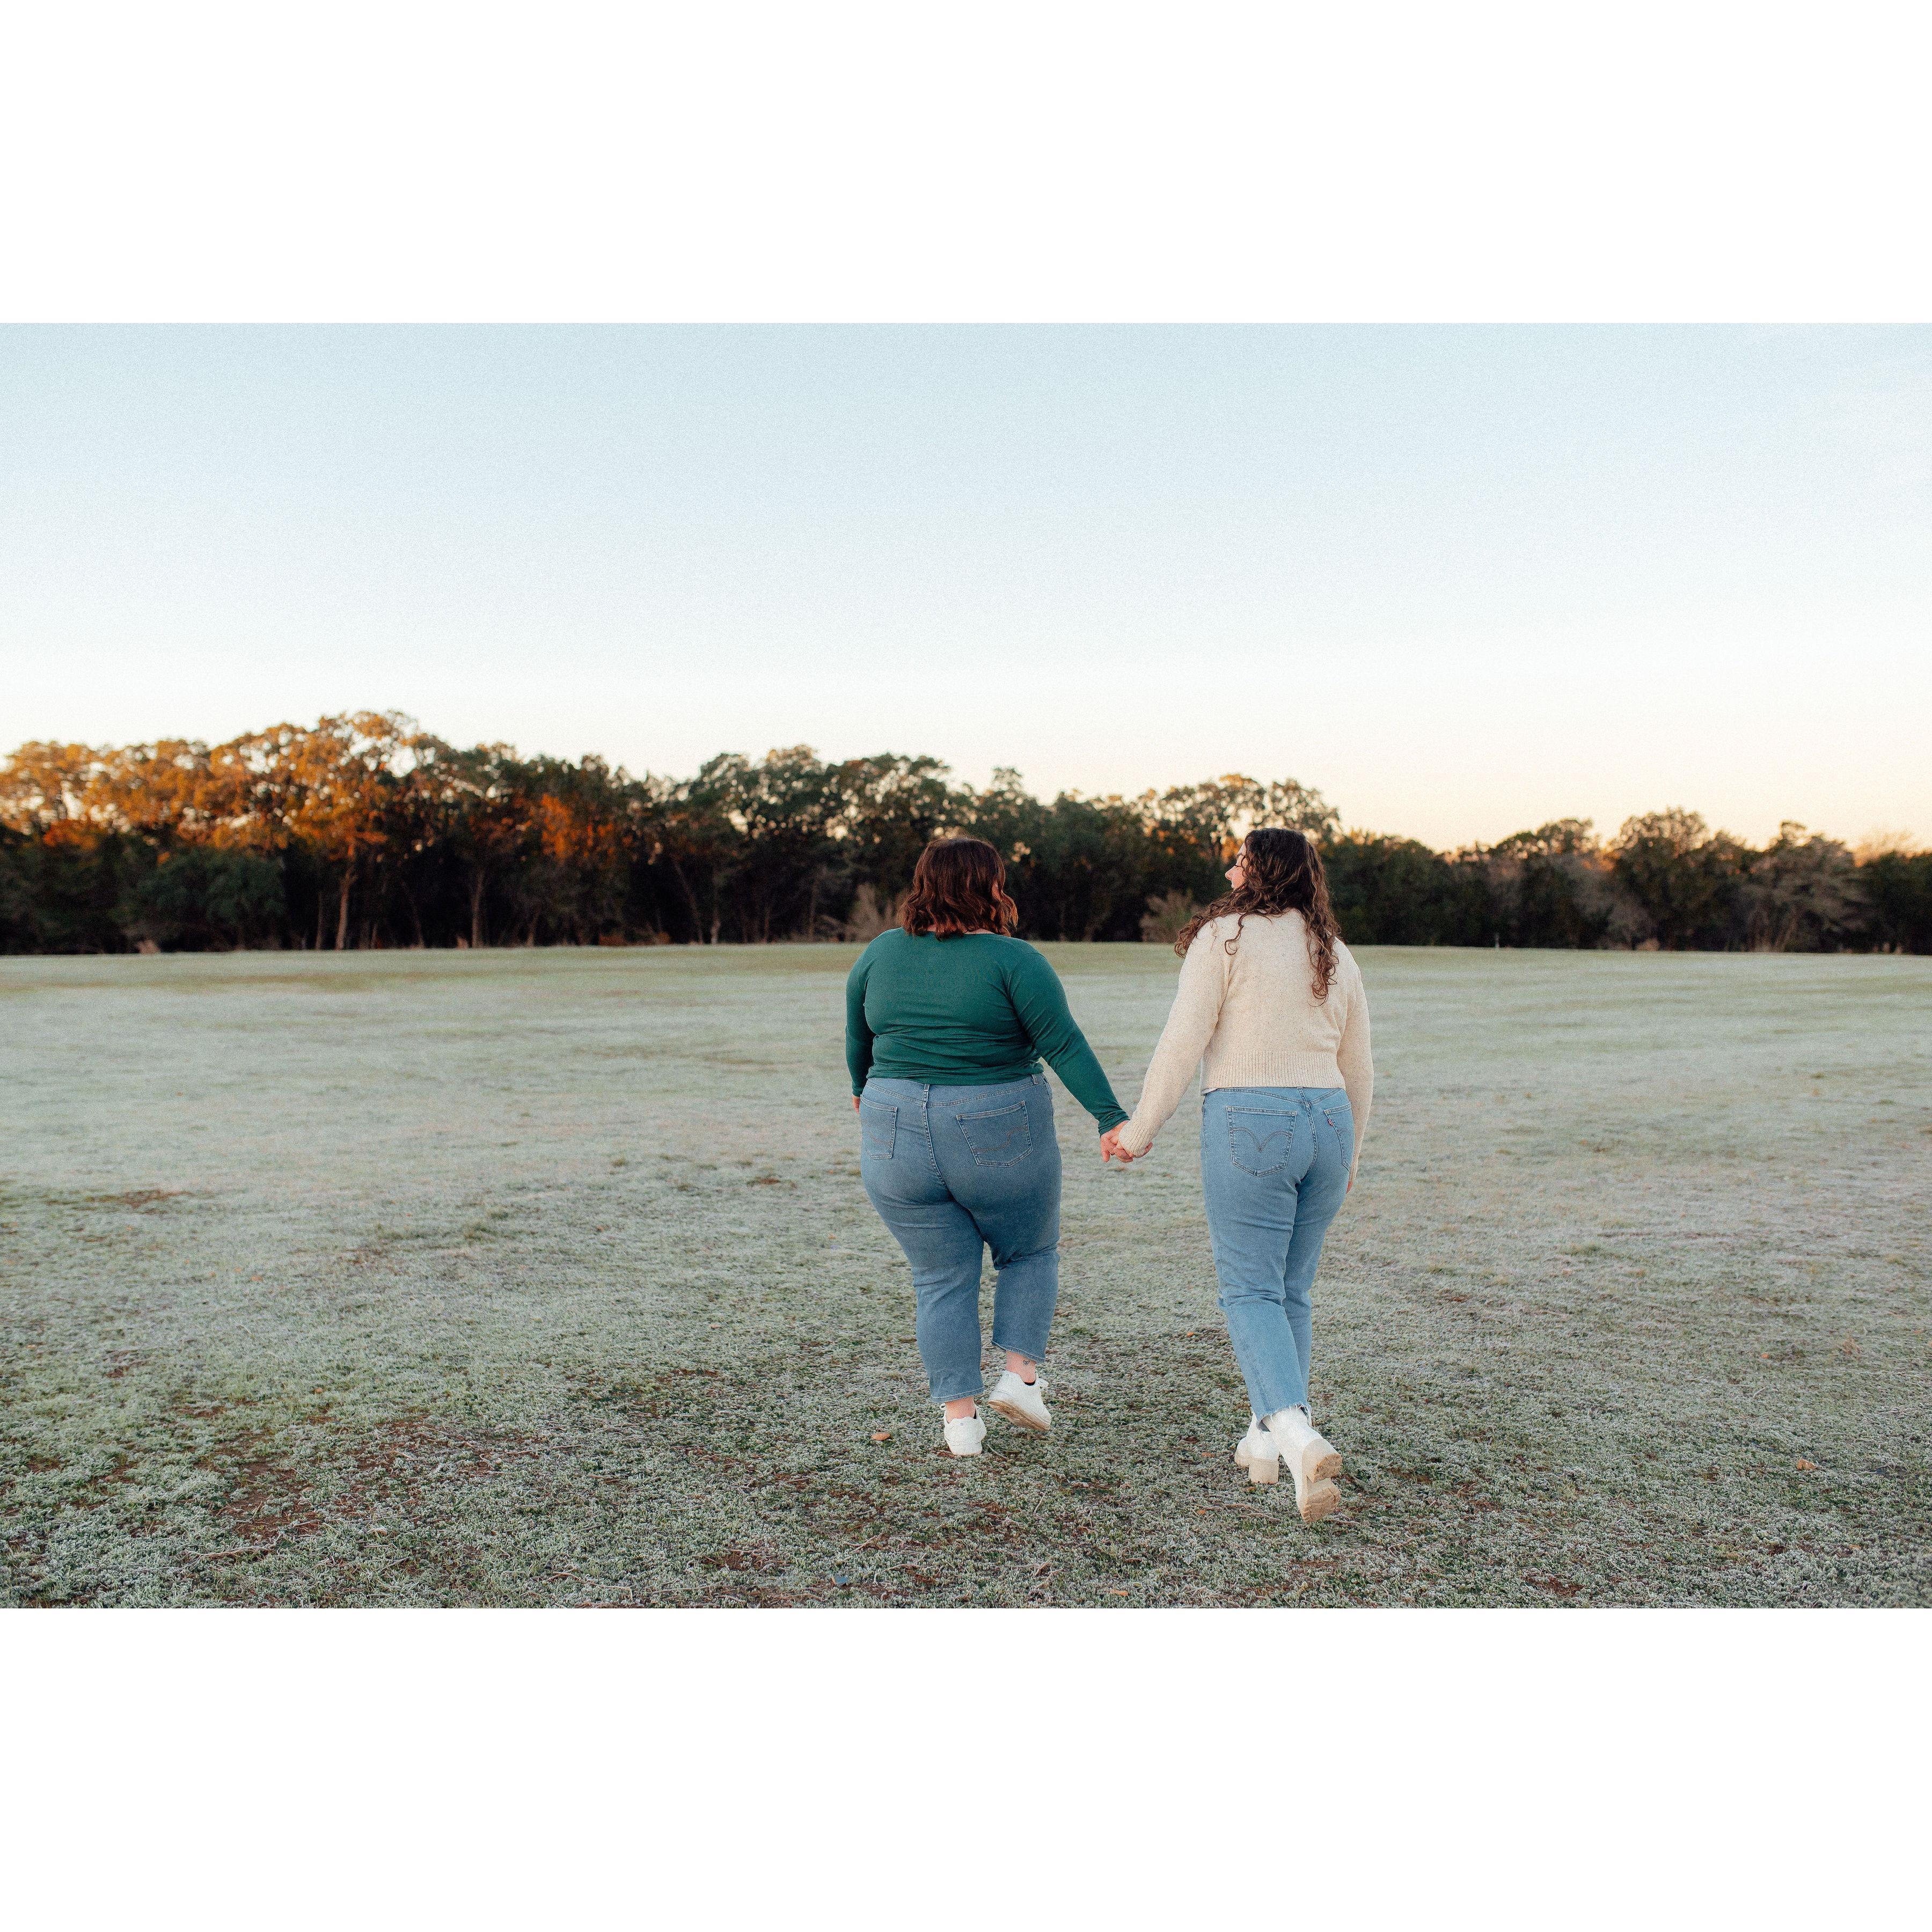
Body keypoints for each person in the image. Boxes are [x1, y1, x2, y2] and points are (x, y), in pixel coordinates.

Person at [1102, 829, 1373, 1523]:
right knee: (1291, 1292)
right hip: (1330, 1125)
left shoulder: (1224, 937)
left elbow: (1182, 1041)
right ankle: (1263, 1440)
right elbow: (1359, 1067)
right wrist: (1352, 1158)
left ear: (1260, 873)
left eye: (1240, 861)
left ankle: (1297, 1435)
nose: (1230, 871)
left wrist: (1138, 1131)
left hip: (1253, 1119)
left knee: (1251, 1290)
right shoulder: (1335, 952)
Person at [846, 837, 1130, 1457]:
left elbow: (857, 1036)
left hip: (892, 1125)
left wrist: (861, 1090)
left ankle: (960, 1424)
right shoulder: (1014, 959)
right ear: (992, 888)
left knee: (939, 1277)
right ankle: (1020, 1380)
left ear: (923, 886)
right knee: (1029, 1252)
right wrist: (1110, 1117)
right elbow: (1063, 1044)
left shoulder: (881, 952)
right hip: (993, 1119)